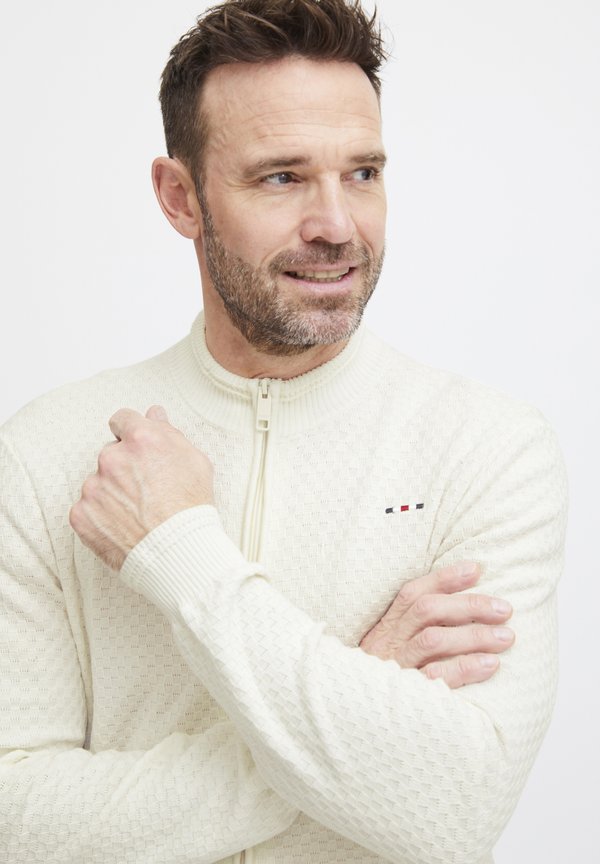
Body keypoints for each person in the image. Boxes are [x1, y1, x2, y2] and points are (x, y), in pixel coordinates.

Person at [0, 1, 567, 862]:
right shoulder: (48, 452)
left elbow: (455, 813)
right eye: (281, 178)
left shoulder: (488, 449)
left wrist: (181, 551)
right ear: (180, 197)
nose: (337, 225)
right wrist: (361, 710)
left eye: (363, 173)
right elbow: (15, 821)